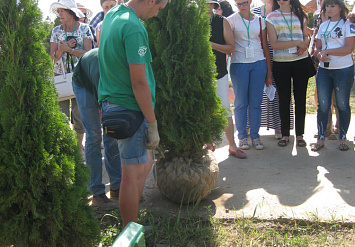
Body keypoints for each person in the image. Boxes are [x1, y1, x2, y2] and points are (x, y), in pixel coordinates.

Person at [98, 0, 168, 228]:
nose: (158, 13)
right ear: (149, 1)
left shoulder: (113, 14)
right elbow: (139, 82)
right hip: (130, 110)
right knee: (132, 175)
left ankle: (133, 223)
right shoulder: (134, 27)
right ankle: (130, 232)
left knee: (143, 164)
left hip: (112, 103)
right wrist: (152, 122)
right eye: (159, 7)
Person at [72, 48, 122, 207]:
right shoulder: (102, 69)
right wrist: (104, 107)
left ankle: (117, 187)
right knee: (94, 135)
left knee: (111, 135)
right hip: (83, 82)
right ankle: (97, 192)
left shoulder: (123, 66)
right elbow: (100, 99)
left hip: (100, 83)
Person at [228, 0, 273, 150]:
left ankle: (255, 136)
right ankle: (242, 136)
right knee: (240, 102)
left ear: (250, 2)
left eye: (244, 2)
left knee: (255, 102)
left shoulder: (260, 21)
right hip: (239, 63)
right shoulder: (230, 20)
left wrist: (269, 73)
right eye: (238, 4)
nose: (242, 6)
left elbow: (265, 47)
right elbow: (228, 44)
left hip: (258, 63)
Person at [50, 0, 93, 155]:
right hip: (60, 77)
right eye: (59, 11)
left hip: (80, 77)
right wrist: (61, 51)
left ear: (72, 13)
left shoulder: (85, 29)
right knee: (61, 114)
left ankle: (77, 148)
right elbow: (52, 58)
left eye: (63, 11)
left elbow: (89, 54)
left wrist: (70, 49)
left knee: (79, 113)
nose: (60, 14)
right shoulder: (56, 31)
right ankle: (64, 148)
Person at [311, 0, 355, 151]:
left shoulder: (348, 25)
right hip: (324, 70)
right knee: (323, 105)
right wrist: (320, 54)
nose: (328, 9)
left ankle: (342, 137)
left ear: (340, 7)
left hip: (343, 69)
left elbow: (348, 49)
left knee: (342, 104)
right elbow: (318, 47)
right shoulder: (323, 25)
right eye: (326, 6)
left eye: (332, 6)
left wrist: (328, 52)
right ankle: (321, 138)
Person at [266, 0, 310, 147]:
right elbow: (274, 44)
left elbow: (306, 35)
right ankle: (285, 135)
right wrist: (297, 43)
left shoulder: (300, 14)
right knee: (284, 99)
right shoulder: (271, 17)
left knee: (300, 98)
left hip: (301, 61)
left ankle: (300, 135)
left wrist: (305, 44)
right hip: (281, 63)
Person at [207, 0, 246, 158]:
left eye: (208, 3)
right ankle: (208, 143)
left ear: (213, 6)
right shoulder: (192, 22)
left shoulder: (222, 22)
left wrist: (211, 45)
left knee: (224, 108)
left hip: (219, 73)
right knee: (204, 110)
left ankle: (232, 145)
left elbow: (231, 47)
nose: (205, 6)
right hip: (199, 75)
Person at [253, 0, 294, 140]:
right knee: (258, 91)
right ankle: (252, 127)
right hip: (259, 53)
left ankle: (280, 126)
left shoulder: (283, 8)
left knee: (280, 91)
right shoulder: (255, 11)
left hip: (280, 53)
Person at [310, 0, 340, 140]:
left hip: (339, 61)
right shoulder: (317, 15)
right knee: (322, 97)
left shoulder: (342, 15)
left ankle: (339, 129)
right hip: (320, 60)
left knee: (337, 97)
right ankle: (325, 129)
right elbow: (316, 37)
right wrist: (316, 52)